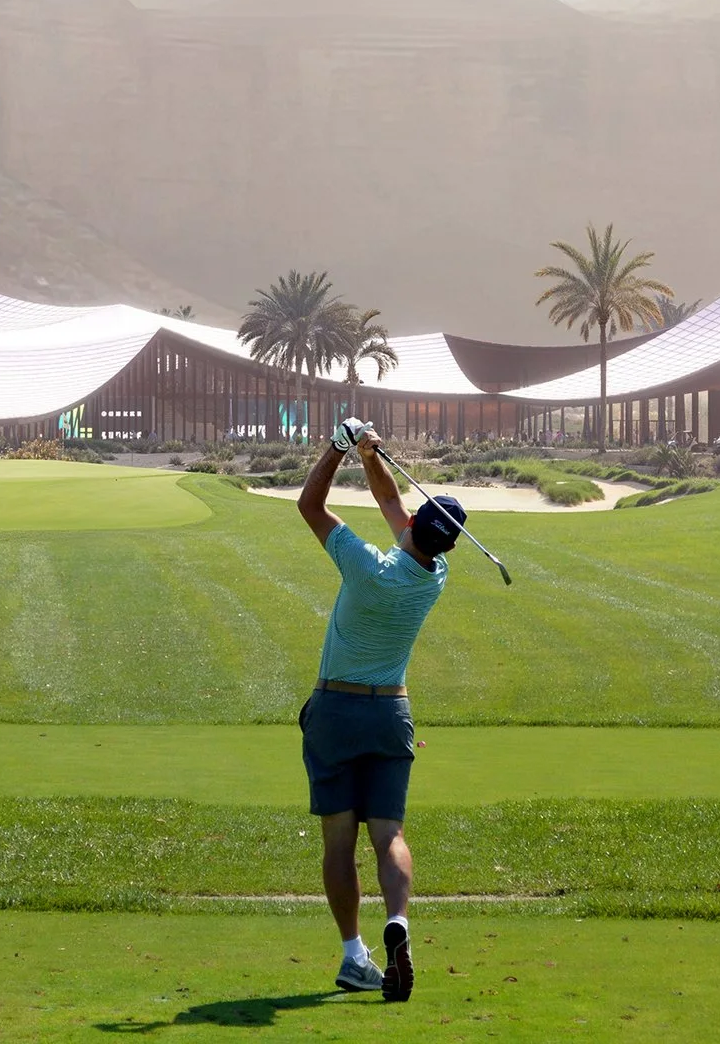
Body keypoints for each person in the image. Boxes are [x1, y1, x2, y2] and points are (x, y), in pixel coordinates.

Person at [294, 415, 465, 1002]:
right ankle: (399, 922)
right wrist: (373, 456)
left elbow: (310, 507)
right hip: (392, 714)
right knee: (389, 833)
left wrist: (339, 448)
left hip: (336, 711)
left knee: (339, 841)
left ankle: (352, 956)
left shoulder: (366, 565)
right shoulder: (433, 574)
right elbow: (394, 503)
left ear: (417, 524)